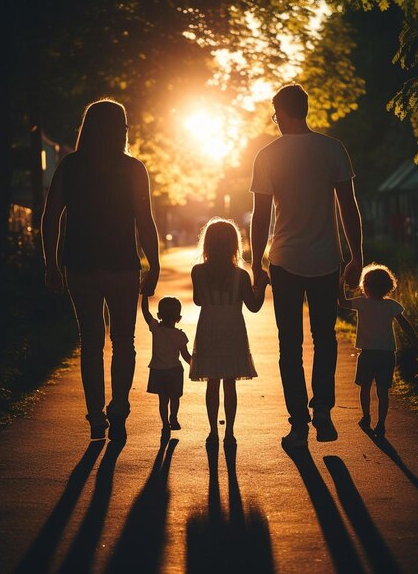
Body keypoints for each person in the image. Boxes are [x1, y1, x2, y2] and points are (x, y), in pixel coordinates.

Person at [250, 84, 363, 448]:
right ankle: (324, 410)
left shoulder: (267, 154)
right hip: (326, 260)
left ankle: (299, 423)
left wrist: (256, 264)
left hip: (284, 260)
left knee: (290, 346)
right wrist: (356, 255)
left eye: (274, 114)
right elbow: (349, 206)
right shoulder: (332, 149)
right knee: (325, 338)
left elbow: (260, 216)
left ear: (281, 112)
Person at [41, 98, 160, 443]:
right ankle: (119, 408)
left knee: (90, 343)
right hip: (122, 265)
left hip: (79, 265)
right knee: (124, 342)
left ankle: (96, 417)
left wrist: (51, 262)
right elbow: (145, 222)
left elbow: (51, 218)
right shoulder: (133, 168)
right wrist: (153, 264)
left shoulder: (71, 166)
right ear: (119, 129)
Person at [190, 218, 269, 445]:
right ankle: (230, 432)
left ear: (207, 245)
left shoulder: (198, 272)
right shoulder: (240, 276)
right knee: (230, 383)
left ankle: (213, 431)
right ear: (234, 245)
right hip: (233, 329)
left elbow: (197, 301)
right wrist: (261, 286)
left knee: (212, 382)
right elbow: (253, 306)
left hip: (209, 327)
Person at [339, 263, 418, 437]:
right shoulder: (392, 305)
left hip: (367, 354)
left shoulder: (361, 303)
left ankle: (366, 417)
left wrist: (341, 283)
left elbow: (342, 302)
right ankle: (381, 424)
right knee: (383, 391)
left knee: (365, 387)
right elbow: (403, 323)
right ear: (388, 287)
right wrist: (415, 338)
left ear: (365, 286)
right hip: (387, 354)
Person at [141, 295, 191, 440]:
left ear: (159, 315)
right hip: (175, 371)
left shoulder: (155, 328)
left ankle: (165, 424)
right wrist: (198, 366)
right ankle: (173, 418)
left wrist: (144, 296)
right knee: (175, 398)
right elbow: (186, 355)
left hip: (158, 370)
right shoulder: (180, 335)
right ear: (179, 318)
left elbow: (145, 312)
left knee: (163, 400)